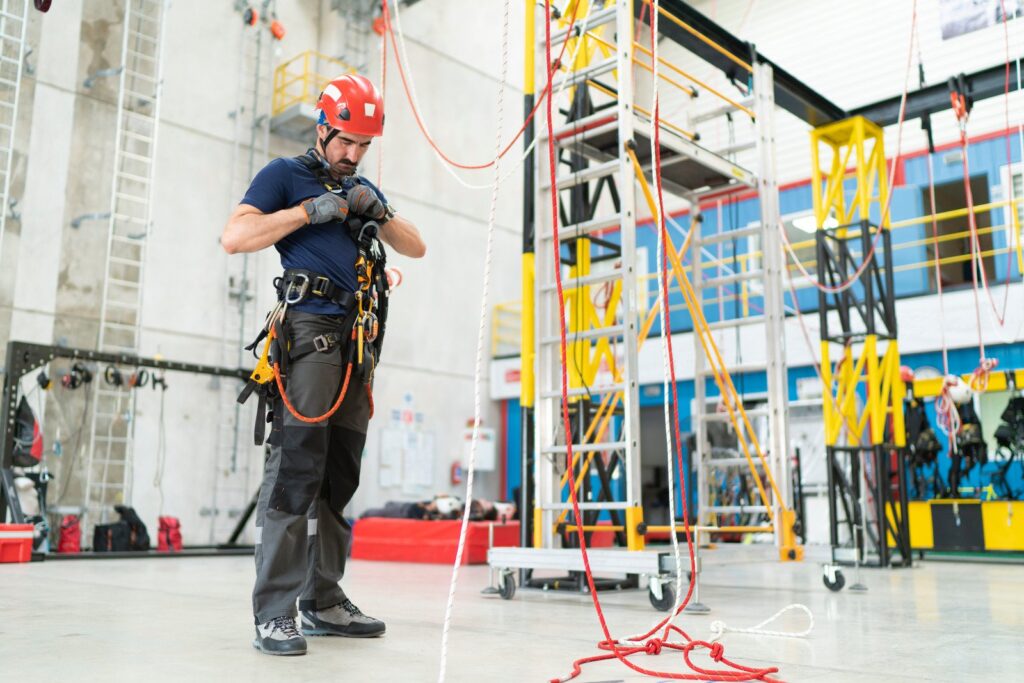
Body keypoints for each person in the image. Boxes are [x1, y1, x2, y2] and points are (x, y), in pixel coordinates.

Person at [221, 73, 426, 656]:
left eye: (364, 145)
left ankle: (324, 600)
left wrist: (378, 211)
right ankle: (274, 613)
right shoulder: (284, 176)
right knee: (295, 473)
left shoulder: (360, 188)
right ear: (323, 128)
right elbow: (235, 236)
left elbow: (416, 246)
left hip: (356, 344)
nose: (353, 154)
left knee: (339, 479)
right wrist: (308, 213)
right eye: (346, 142)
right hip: (309, 337)